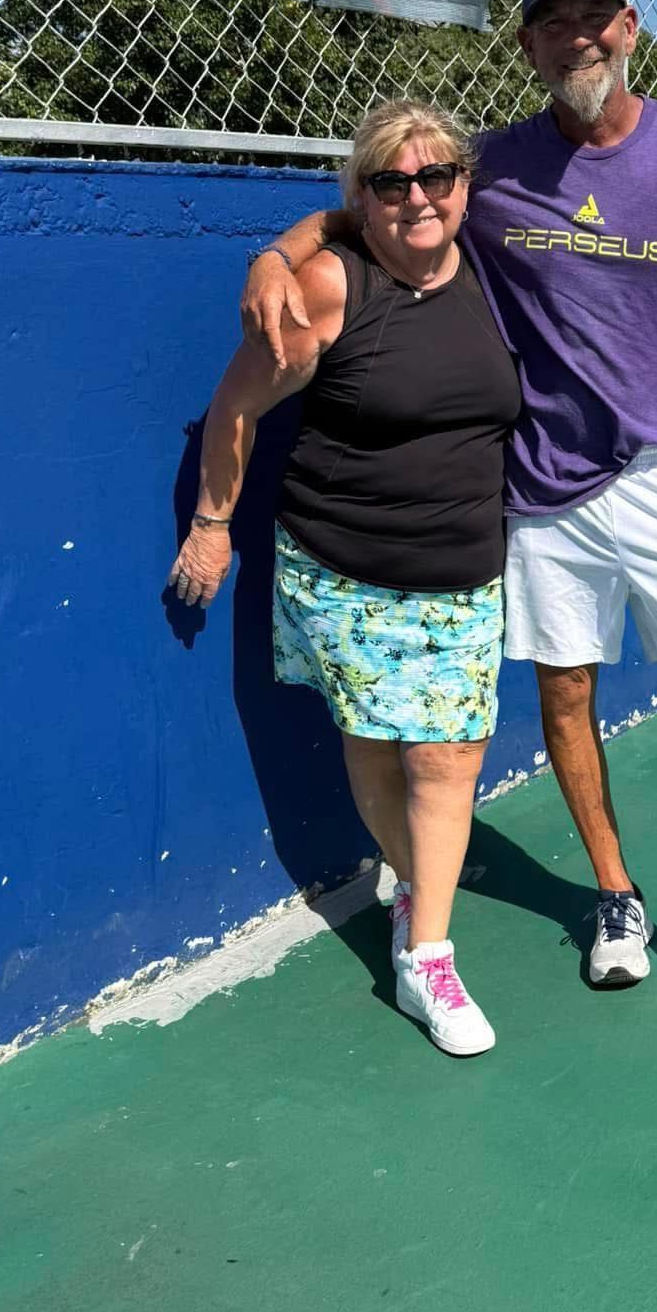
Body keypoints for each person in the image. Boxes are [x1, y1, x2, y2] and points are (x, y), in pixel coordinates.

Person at [243, 0, 657, 1019]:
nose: (577, 37)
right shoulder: (485, 166)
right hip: (543, 482)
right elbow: (365, 211)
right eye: (553, 21)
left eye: (595, 17)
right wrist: (276, 252)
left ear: (629, 29)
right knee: (566, 693)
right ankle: (615, 896)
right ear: (529, 43)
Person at [168, 100, 521, 1057]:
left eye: (436, 176)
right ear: (361, 198)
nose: (418, 198)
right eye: (390, 182)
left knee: (448, 755)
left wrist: (276, 245)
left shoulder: (494, 265)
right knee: (373, 742)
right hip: (343, 569)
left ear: (464, 186)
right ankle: (420, 908)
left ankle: (426, 950)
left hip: (464, 573)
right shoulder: (331, 283)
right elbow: (235, 407)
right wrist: (211, 526)